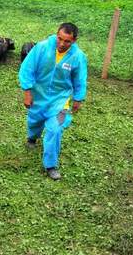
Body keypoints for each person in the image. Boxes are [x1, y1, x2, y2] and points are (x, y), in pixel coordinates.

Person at [18, 23, 88, 180]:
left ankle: (50, 165)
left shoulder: (78, 57)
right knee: (35, 119)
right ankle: (32, 137)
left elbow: (80, 79)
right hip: (39, 93)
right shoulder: (42, 48)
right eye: (60, 39)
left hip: (60, 99)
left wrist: (78, 98)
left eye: (67, 41)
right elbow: (27, 69)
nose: (62, 44)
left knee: (55, 128)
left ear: (74, 41)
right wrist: (27, 93)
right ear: (56, 35)